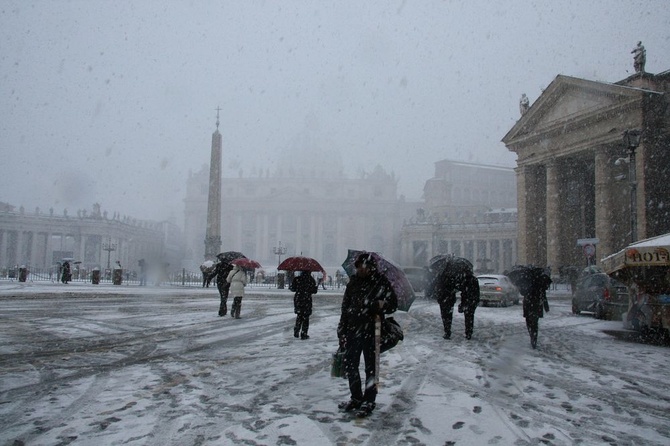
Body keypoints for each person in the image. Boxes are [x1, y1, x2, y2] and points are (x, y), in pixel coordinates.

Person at [337, 253, 398, 418]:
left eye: (363, 267)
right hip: (353, 329)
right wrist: (341, 328)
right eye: (358, 267)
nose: (360, 270)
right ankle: (356, 397)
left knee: (371, 368)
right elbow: (345, 306)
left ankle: (369, 401)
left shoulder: (380, 282)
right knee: (351, 365)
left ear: (371, 268)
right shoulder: (353, 282)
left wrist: (375, 305)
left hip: (372, 330)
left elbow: (393, 304)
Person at [521, 269, 552, 349]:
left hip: (528, 305)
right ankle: (534, 338)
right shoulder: (540, 282)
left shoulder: (527, 281)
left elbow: (522, 293)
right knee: (535, 323)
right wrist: (546, 307)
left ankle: (532, 335)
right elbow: (543, 296)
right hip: (537, 305)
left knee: (529, 322)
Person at [289, 270, 318, 339]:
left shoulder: (297, 279)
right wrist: (315, 288)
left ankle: (296, 331)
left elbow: (293, 288)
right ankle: (304, 333)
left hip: (298, 299)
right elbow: (314, 291)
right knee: (306, 317)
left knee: (299, 316)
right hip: (307, 300)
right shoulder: (311, 280)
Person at [458, 273, 480, 340]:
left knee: (467, 317)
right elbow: (477, 291)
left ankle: (468, 332)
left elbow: (463, 291)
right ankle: (469, 331)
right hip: (472, 301)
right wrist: (476, 300)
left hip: (466, 301)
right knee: (470, 316)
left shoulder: (464, 279)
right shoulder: (474, 279)